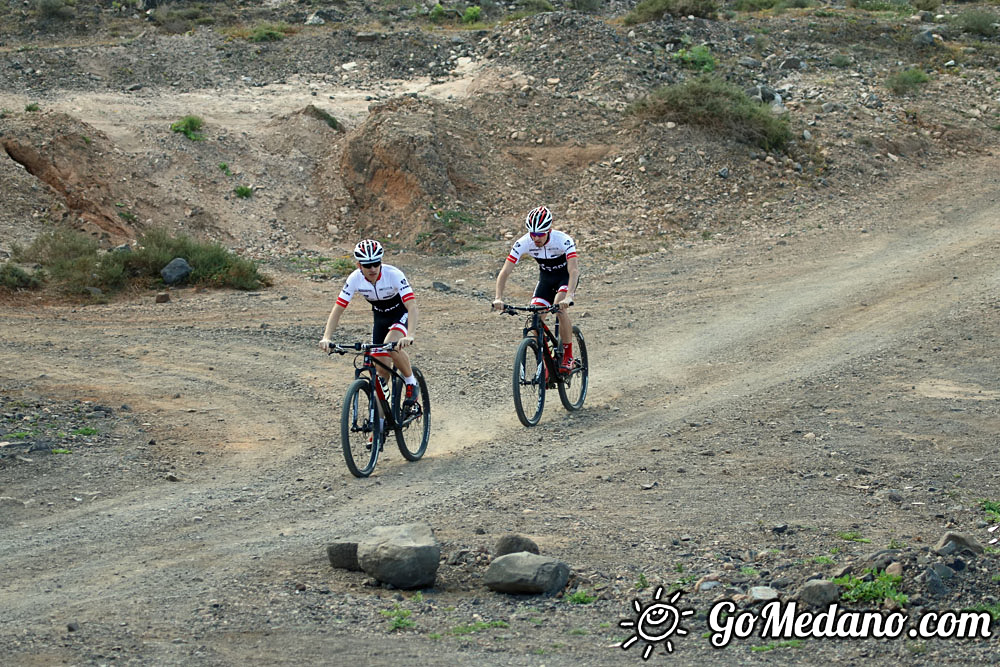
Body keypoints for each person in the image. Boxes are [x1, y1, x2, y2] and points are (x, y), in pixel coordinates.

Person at [319, 239, 420, 406]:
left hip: (400, 314)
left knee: (391, 345)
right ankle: (380, 426)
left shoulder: (393, 274)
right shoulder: (354, 279)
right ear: (360, 265)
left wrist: (410, 334)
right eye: (368, 265)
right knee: (381, 372)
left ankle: (411, 382)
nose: (373, 268)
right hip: (379, 318)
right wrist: (326, 337)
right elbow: (338, 309)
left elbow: (412, 306)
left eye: (376, 263)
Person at [492, 205, 580, 373]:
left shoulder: (563, 240)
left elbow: (573, 270)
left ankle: (568, 356)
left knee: (559, 308)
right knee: (535, 319)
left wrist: (569, 296)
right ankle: (544, 364)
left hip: (565, 279)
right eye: (532, 234)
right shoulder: (523, 242)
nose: (536, 238)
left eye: (540, 234)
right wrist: (498, 297)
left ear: (549, 230)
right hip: (546, 281)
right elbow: (504, 272)